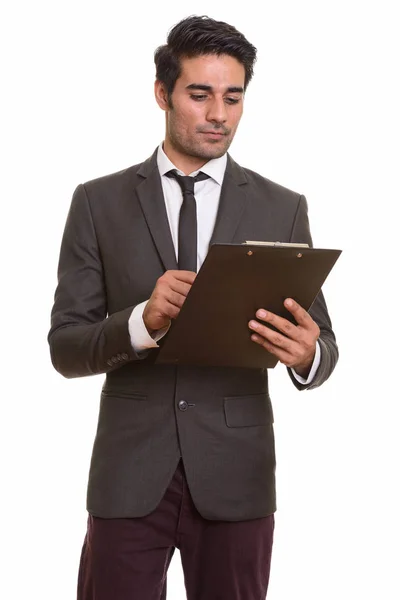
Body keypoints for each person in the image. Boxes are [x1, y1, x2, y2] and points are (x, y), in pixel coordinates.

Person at [48, 15, 338, 600]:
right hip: (130, 475)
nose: (218, 115)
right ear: (163, 93)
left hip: (238, 475)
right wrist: (140, 322)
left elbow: (324, 345)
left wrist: (309, 355)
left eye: (233, 97)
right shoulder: (98, 203)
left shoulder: (282, 208)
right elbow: (64, 347)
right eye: (200, 94)